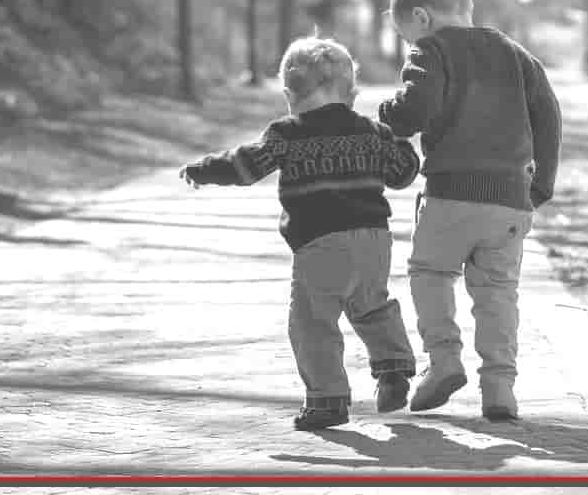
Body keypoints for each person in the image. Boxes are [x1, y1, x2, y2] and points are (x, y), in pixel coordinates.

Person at [179, 37, 421, 431]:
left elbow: (246, 166)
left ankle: (327, 400)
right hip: (374, 241)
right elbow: (403, 173)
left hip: (320, 243)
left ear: (290, 96)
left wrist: (204, 169)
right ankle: (393, 370)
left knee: (312, 322)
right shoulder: (372, 132)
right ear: (353, 93)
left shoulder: (287, 134)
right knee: (372, 306)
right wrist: (400, 143)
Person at [377, 0, 561, 422]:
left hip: (451, 195)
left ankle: (443, 361)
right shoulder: (518, 55)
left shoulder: (431, 51)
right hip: (509, 202)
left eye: (406, 36)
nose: (409, 45)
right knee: (498, 291)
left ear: (422, 17)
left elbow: (416, 111)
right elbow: (549, 117)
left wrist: (388, 114)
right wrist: (540, 185)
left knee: (431, 273)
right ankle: (500, 388)